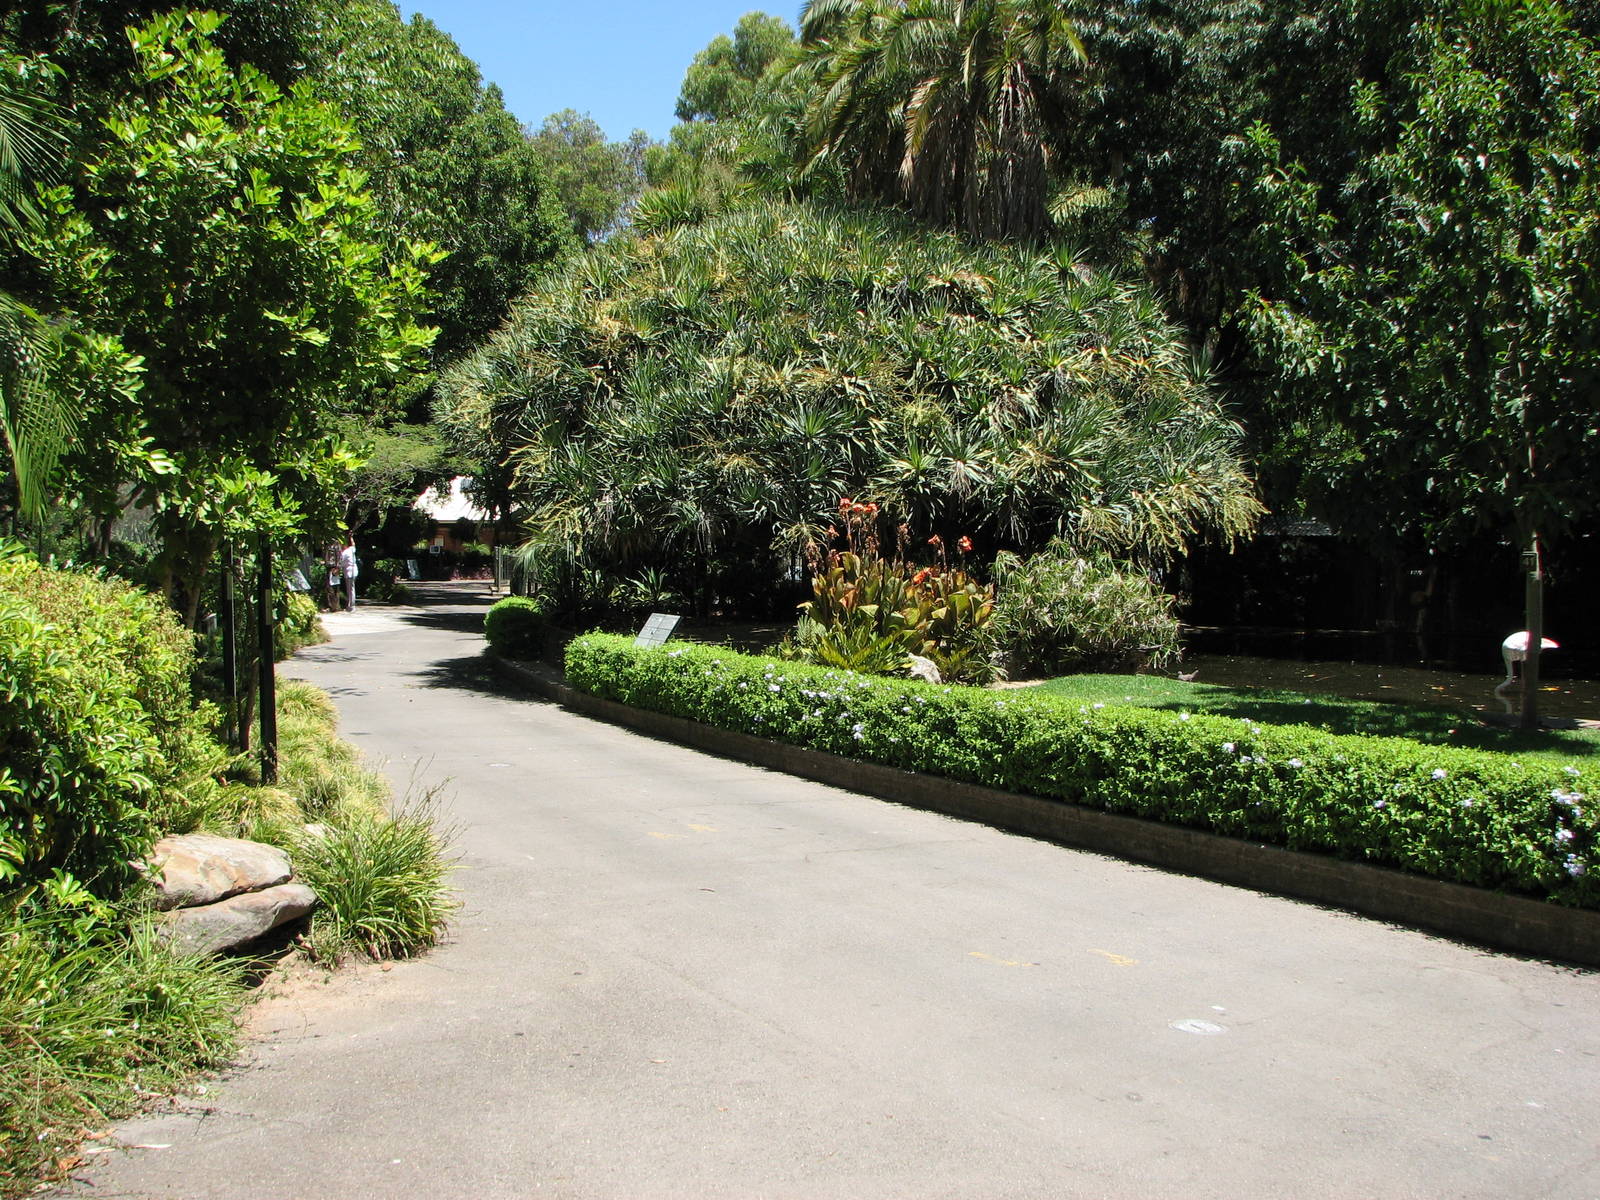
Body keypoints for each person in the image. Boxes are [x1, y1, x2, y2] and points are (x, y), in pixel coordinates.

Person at [338, 535, 359, 611]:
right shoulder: (351, 550)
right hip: (354, 571)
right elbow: (353, 544)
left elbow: (340, 564)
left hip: (349, 572)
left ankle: (351, 606)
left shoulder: (344, 553)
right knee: (351, 588)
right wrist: (351, 537)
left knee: (350, 589)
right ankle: (350, 604)